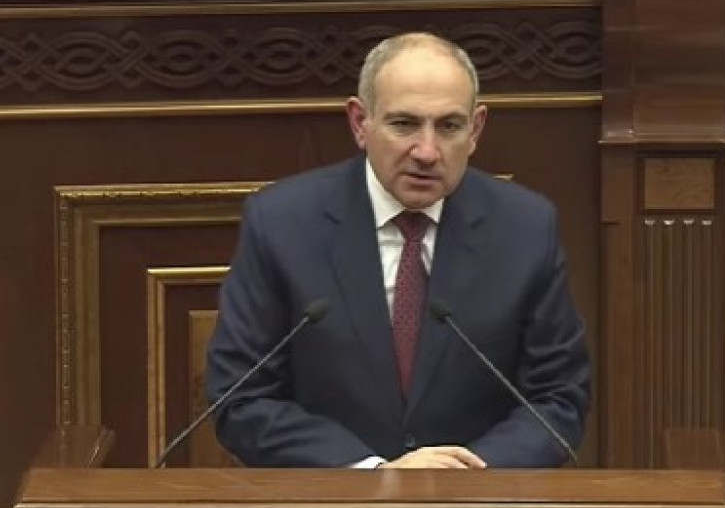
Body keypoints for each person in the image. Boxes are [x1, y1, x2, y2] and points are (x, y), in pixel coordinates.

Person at [205, 32, 591, 469]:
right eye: (404, 124)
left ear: (476, 129)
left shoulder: (524, 228)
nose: (427, 151)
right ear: (360, 123)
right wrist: (373, 472)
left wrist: (468, 473)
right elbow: (242, 396)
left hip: (477, 497)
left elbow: (559, 397)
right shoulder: (282, 223)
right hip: (333, 497)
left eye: (449, 126)